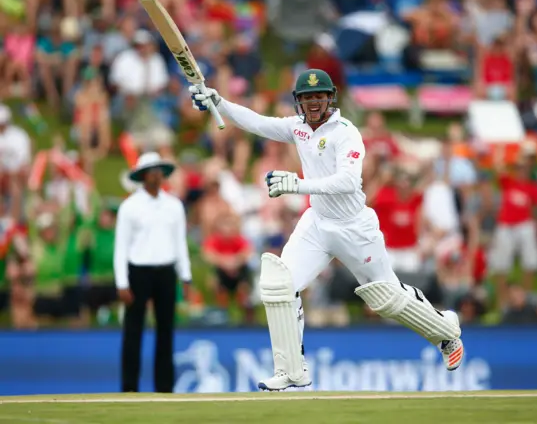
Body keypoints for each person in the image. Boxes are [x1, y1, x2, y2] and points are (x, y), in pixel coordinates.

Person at [189, 69, 463, 392]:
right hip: (317, 223)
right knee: (279, 283)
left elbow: (348, 181)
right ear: (299, 102)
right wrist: (220, 103)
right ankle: (292, 371)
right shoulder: (298, 127)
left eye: (319, 97)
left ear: (330, 98)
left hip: (354, 228)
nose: (313, 103)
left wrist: (299, 184)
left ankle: (445, 330)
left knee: (386, 299)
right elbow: (258, 123)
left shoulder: (346, 132)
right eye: (307, 98)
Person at [113, 152, 192, 393]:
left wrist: (185, 276)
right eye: (152, 171)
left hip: (166, 272)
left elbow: (180, 243)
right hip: (138, 272)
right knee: (133, 331)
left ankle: (165, 388)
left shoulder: (174, 205)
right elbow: (121, 247)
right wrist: (122, 283)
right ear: (143, 176)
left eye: (160, 170)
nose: (157, 175)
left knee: (166, 331)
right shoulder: (129, 207)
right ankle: (129, 388)